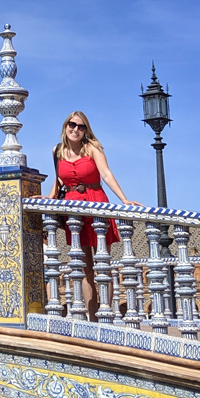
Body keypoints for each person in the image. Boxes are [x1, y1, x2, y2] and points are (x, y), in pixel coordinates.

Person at [34, 111, 141, 321]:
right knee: (84, 266)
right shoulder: (57, 151)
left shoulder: (92, 148)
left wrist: (124, 199)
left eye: (81, 126)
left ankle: (105, 315)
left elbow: (106, 174)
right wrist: (48, 198)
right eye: (72, 125)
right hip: (73, 209)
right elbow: (59, 180)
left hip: (96, 203)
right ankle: (92, 318)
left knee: (102, 264)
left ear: (86, 130)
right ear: (65, 126)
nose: (75, 129)